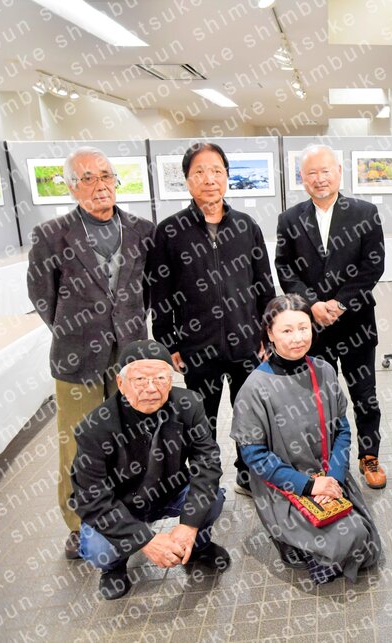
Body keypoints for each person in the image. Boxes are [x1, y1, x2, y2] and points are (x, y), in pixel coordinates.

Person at [27, 146, 155, 560]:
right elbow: (42, 296)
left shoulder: (141, 230)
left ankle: (126, 512)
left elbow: (146, 292)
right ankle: (78, 524)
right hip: (76, 357)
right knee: (77, 443)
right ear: (71, 186)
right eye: (87, 178)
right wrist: (75, 330)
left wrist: (127, 328)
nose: (99, 185)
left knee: (130, 438)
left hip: (128, 356)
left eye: (105, 176)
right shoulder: (51, 235)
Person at [148, 142, 275, 496]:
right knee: (201, 420)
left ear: (227, 177)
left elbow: (264, 284)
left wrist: (267, 333)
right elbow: (160, 293)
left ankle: (248, 475)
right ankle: (206, 483)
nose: (209, 179)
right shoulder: (169, 231)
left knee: (250, 415)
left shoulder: (246, 226)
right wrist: (168, 342)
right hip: (196, 346)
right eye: (200, 172)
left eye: (217, 171)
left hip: (246, 342)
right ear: (187, 180)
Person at [231, 295, 381, 584]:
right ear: (270, 334)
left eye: (303, 328)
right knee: (347, 538)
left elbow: (342, 430)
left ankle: (311, 546)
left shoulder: (324, 371)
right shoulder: (254, 388)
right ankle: (291, 542)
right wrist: (309, 485)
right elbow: (254, 456)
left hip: (329, 476)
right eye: (287, 330)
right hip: (284, 484)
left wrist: (333, 477)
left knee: (367, 543)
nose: (298, 338)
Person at [70, 340, 230, 600]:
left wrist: (189, 525)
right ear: (121, 383)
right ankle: (114, 567)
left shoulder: (188, 404)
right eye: (140, 380)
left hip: (171, 491)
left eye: (160, 378)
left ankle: (197, 545)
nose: (152, 388)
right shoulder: (94, 428)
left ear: (171, 380)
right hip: (122, 504)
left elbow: (207, 462)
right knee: (99, 549)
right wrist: (145, 541)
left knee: (211, 499)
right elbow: (90, 497)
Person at [275, 144, 387, 489]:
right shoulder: (289, 219)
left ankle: (369, 454)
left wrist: (339, 303)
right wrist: (312, 305)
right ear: (302, 178)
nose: (319, 179)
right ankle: (321, 459)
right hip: (312, 328)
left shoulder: (365, 213)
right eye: (312, 173)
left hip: (356, 323)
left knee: (364, 394)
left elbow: (373, 265)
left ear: (339, 171)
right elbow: (285, 268)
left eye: (325, 171)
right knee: (318, 397)